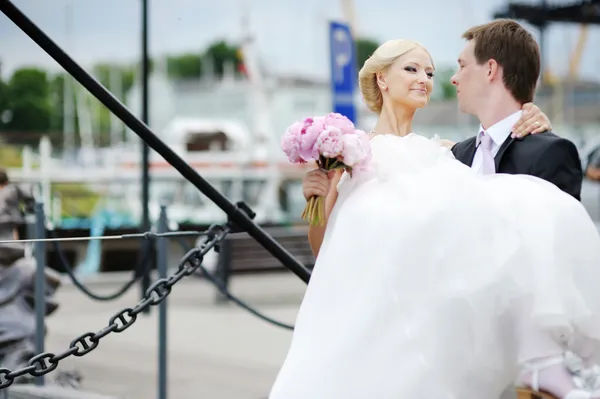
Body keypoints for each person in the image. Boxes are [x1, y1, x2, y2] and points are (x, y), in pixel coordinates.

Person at [268, 20, 600, 399]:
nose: (426, 79)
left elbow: (493, 209)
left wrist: (533, 115)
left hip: (436, 325)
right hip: (369, 311)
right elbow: (324, 249)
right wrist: (321, 194)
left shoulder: (444, 154)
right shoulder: (352, 155)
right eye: (411, 69)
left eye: (429, 71)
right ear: (382, 79)